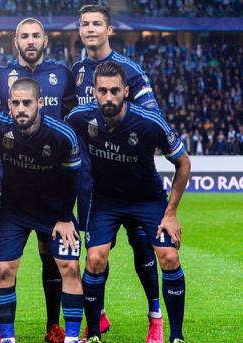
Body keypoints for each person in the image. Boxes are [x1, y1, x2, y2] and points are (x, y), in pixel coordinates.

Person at [65, 61, 190, 343]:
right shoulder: (79, 118)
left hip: (147, 199)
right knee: (95, 259)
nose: (108, 97)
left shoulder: (149, 122)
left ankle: (177, 336)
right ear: (94, 92)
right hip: (106, 200)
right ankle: (95, 333)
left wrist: (171, 214)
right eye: (102, 91)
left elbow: (183, 163)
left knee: (169, 256)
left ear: (126, 91)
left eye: (114, 91)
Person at [73, 5, 163, 341]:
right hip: (94, 183)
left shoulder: (130, 70)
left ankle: (155, 318)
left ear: (109, 29)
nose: (91, 29)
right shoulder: (79, 71)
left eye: (97, 23)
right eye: (85, 24)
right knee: (96, 254)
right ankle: (99, 317)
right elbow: (73, 121)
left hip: (135, 182)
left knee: (143, 250)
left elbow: (153, 120)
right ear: (79, 30)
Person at [0, 17, 76, 343]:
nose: (30, 41)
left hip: (52, 184)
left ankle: (54, 324)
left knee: (51, 255)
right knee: (6, 261)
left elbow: (75, 116)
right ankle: (4, 329)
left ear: (45, 40)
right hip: (13, 179)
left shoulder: (62, 74)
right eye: (24, 36)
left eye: (36, 35)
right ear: (15, 41)